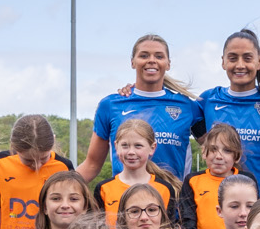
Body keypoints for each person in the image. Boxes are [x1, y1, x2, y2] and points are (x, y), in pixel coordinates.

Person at [82, 33, 202, 183]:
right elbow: (92, 165)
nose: (151, 60)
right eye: (144, 56)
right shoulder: (110, 105)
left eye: (159, 56)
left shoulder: (187, 106)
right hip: (125, 197)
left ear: (168, 64)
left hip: (172, 197)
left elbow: (218, 149)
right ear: (133, 62)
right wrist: (60, 185)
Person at [198, 29, 260, 197]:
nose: (240, 65)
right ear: (223, 62)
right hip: (221, 204)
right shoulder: (208, 99)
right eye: (233, 58)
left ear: (259, 61)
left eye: (247, 58)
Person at [0, 115, 75, 229]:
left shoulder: (63, 167)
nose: (36, 166)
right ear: (13, 146)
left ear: (53, 141)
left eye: (43, 159)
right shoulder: (1, 163)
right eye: (28, 160)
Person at [183, 123, 245, 229]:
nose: (219, 156)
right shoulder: (192, 181)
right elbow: (187, 221)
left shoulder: (246, 181)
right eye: (213, 149)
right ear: (204, 152)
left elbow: (252, 218)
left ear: (237, 156)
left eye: (227, 150)